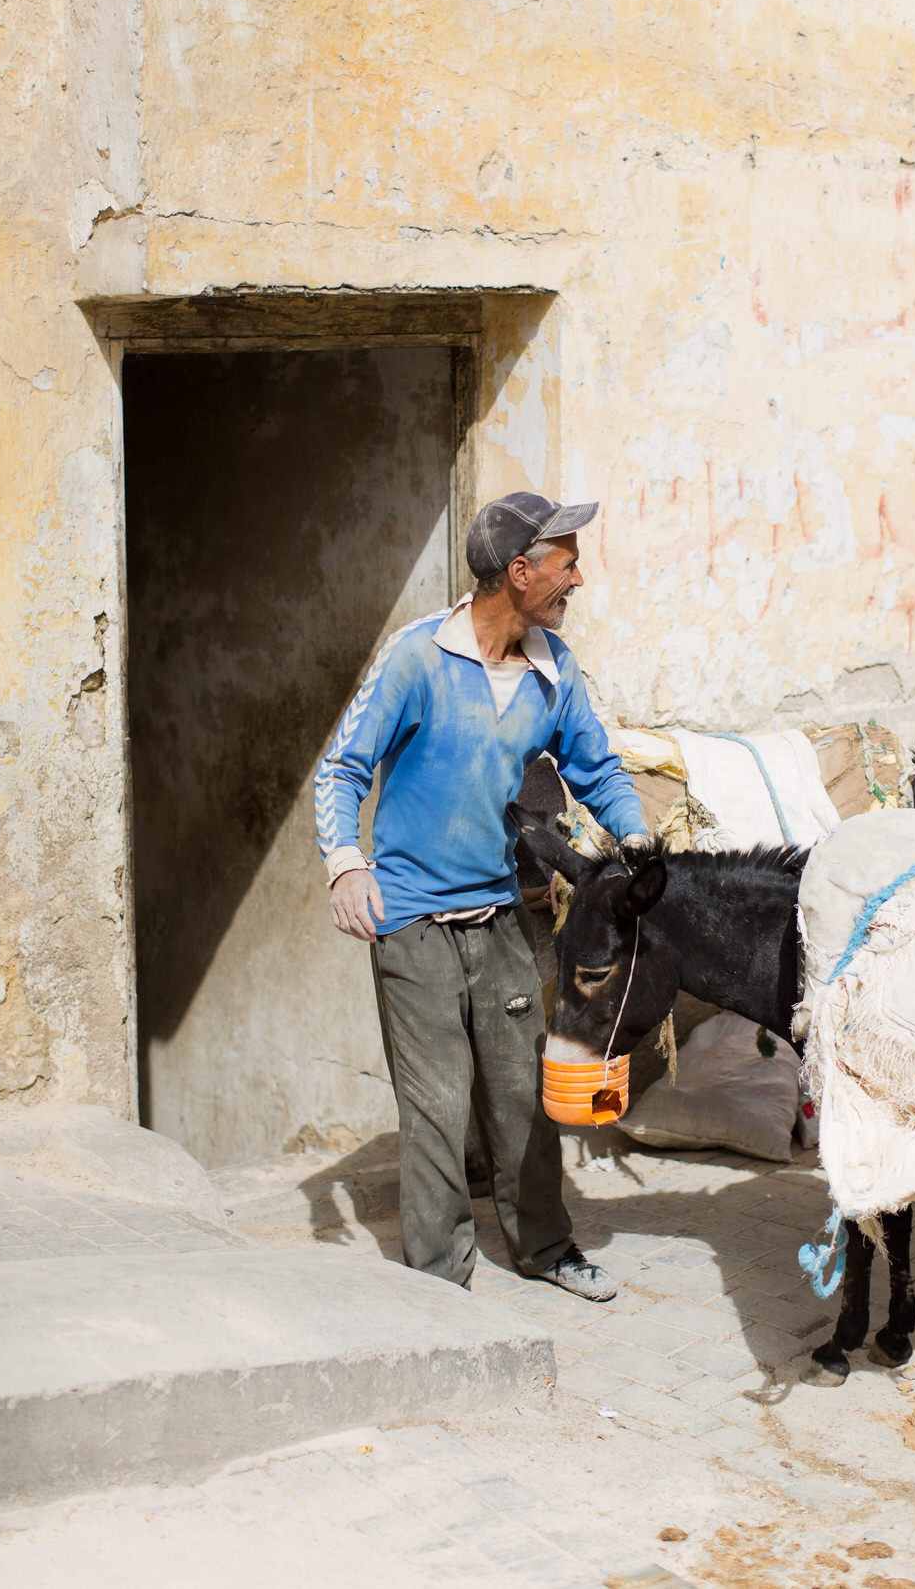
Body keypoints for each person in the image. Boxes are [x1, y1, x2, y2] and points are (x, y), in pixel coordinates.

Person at [314, 490, 647, 1299]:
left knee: (523, 1095)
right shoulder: (417, 659)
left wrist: (636, 839)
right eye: (568, 562)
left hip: (499, 914)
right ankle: (439, 1281)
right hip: (413, 926)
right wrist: (344, 863)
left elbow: (596, 768)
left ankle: (543, 1248)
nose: (580, 578)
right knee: (433, 1112)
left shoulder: (553, 669)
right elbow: (343, 768)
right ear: (521, 571)